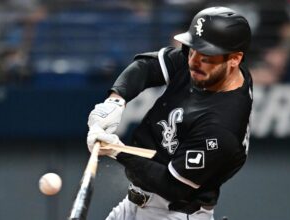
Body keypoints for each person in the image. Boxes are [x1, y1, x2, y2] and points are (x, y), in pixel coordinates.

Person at [86, 6, 253, 220]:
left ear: (234, 59)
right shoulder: (217, 70)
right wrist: (116, 100)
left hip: (175, 213)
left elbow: (173, 185)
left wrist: (118, 151)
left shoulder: (223, 126)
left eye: (206, 55)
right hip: (135, 204)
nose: (194, 61)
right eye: (193, 49)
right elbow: (148, 67)